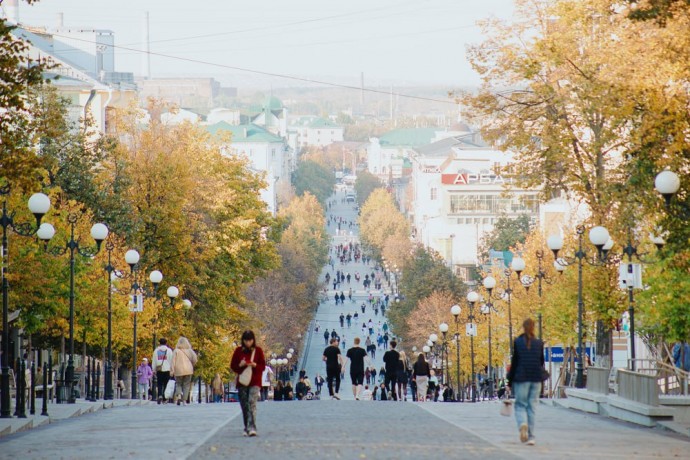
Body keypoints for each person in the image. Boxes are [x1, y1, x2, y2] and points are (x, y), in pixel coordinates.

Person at [507, 318, 544, 446]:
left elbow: (515, 362)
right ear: (534, 328)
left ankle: (522, 423)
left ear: (523, 327)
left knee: (520, 405)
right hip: (536, 378)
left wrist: (509, 381)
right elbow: (541, 362)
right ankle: (531, 437)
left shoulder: (518, 342)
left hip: (521, 378)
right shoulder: (539, 343)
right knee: (532, 407)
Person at [230, 330, 266, 437]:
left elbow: (262, 366)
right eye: (246, 340)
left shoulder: (258, 351)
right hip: (242, 381)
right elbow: (233, 366)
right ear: (243, 340)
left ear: (253, 340)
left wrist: (255, 365)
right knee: (244, 405)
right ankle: (246, 426)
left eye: (250, 340)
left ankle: (252, 427)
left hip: (255, 380)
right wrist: (240, 365)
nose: (248, 343)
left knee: (252, 402)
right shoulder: (238, 351)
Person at [170, 337, 198, 405]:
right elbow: (195, 360)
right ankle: (184, 401)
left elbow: (172, 361)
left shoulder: (176, 351)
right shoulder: (190, 351)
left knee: (178, 384)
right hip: (188, 370)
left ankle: (179, 395)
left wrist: (172, 370)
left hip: (178, 370)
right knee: (186, 385)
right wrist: (191, 365)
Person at [152, 338, 174, 404]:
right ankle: (164, 398)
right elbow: (171, 360)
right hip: (167, 369)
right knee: (166, 384)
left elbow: (154, 360)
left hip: (159, 369)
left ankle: (159, 395)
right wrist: (172, 369)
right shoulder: (169, 351)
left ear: (159, 343)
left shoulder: (156, 350)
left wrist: (153, 369)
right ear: (166, 343)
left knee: (159, 383)